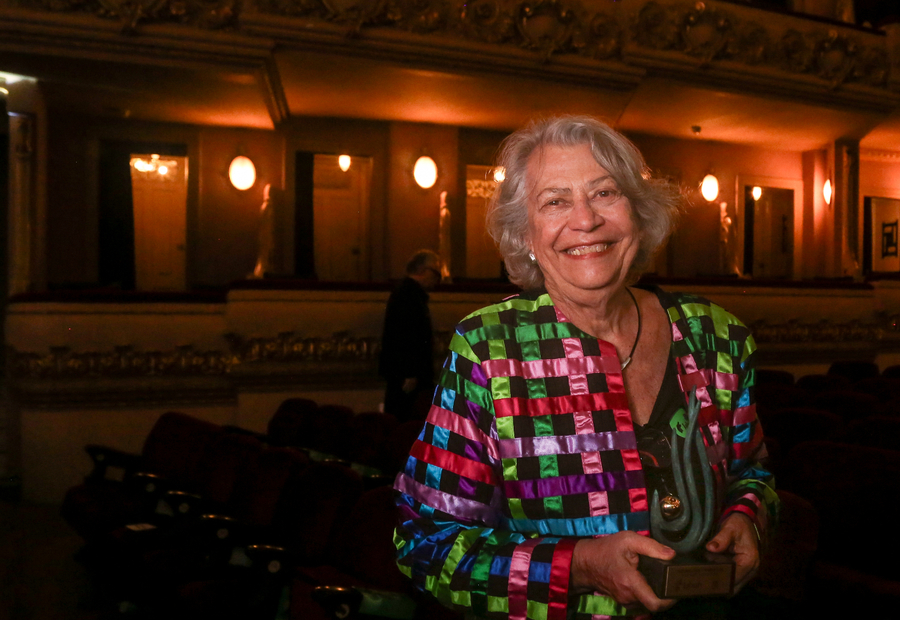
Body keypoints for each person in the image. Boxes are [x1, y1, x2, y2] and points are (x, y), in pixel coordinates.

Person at [393, 116, 778, 619]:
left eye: (605, 193)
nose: (586, 220)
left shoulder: (717, 337)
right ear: (526, 234)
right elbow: (426, 543)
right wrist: (578, 566)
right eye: (555, 201)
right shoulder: (488, 350)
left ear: (638, 213)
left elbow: (752, 473)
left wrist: (748, 517)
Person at [379, 249, 442, 423]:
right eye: (436, 273)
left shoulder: (407, 293)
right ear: (423, 270)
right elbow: (403, 335)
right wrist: (410, 373)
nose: (438, 279)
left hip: (407, 373)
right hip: (409, 376)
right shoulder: (408, 295)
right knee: (407, 420)